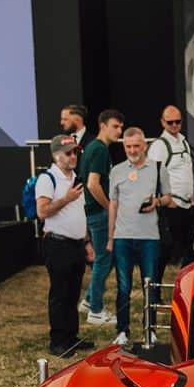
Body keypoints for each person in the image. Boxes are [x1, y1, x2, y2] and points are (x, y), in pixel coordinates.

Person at [107, 127, 172, 347]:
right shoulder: (116, 171)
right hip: (123, 237)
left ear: (144, 145)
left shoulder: (157, 167)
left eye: (136, 146)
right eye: (128, 146)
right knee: (123, 286)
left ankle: (150, 329)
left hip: (149, 237)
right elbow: (113, 205)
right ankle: (122, 330)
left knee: (150, 285)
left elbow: (168, 198)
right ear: (123, 147)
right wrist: (110, 236)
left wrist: (157, 202)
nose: (132, 150)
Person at [36, 133, 95, 358]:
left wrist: (87, 241)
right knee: (60, 292)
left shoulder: (75, 179)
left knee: (73, 292)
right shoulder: (47, 178)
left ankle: (71, 337)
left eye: (76, 152)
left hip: (76, 244)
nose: (73, 157)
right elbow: (42, 211)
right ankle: (58, 340)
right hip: (57, 243)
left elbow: (81, 213)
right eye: (69, 153)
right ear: (56, 155)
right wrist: (66, 198)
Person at [79, 109, 124, 326]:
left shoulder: (94, 148)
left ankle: (89, 300)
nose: (119, 130)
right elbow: (92, 184)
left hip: (94, 213)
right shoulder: (99, 150)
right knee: (103, 260)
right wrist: (109, 208)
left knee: (106, 260)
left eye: (121, 127)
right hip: (99, 214)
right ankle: (95, 310)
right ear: (102, 125)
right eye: (115, 126)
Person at [148, 104, 194, 283]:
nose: (175, 125)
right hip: (172, 206)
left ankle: (183, 285)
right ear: (162, 122)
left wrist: (191, 195)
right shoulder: (159, 146)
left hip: (187, 204)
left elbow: (185, 171)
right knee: (165, 251)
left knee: (193, 248)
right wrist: (165, 200)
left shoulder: (183, 141)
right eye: (170, 122)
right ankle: (155, 291)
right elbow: (152, 175)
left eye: (178, 122)